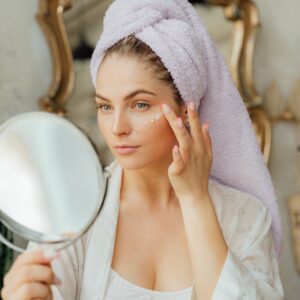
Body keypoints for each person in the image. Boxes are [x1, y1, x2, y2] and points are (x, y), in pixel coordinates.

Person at [1, 0, 284, 299]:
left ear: (187, 110)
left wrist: (195, 199)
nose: (117, 127)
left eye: (140, 104)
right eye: (105, 106)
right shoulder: (71, 213)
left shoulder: (245, 218)